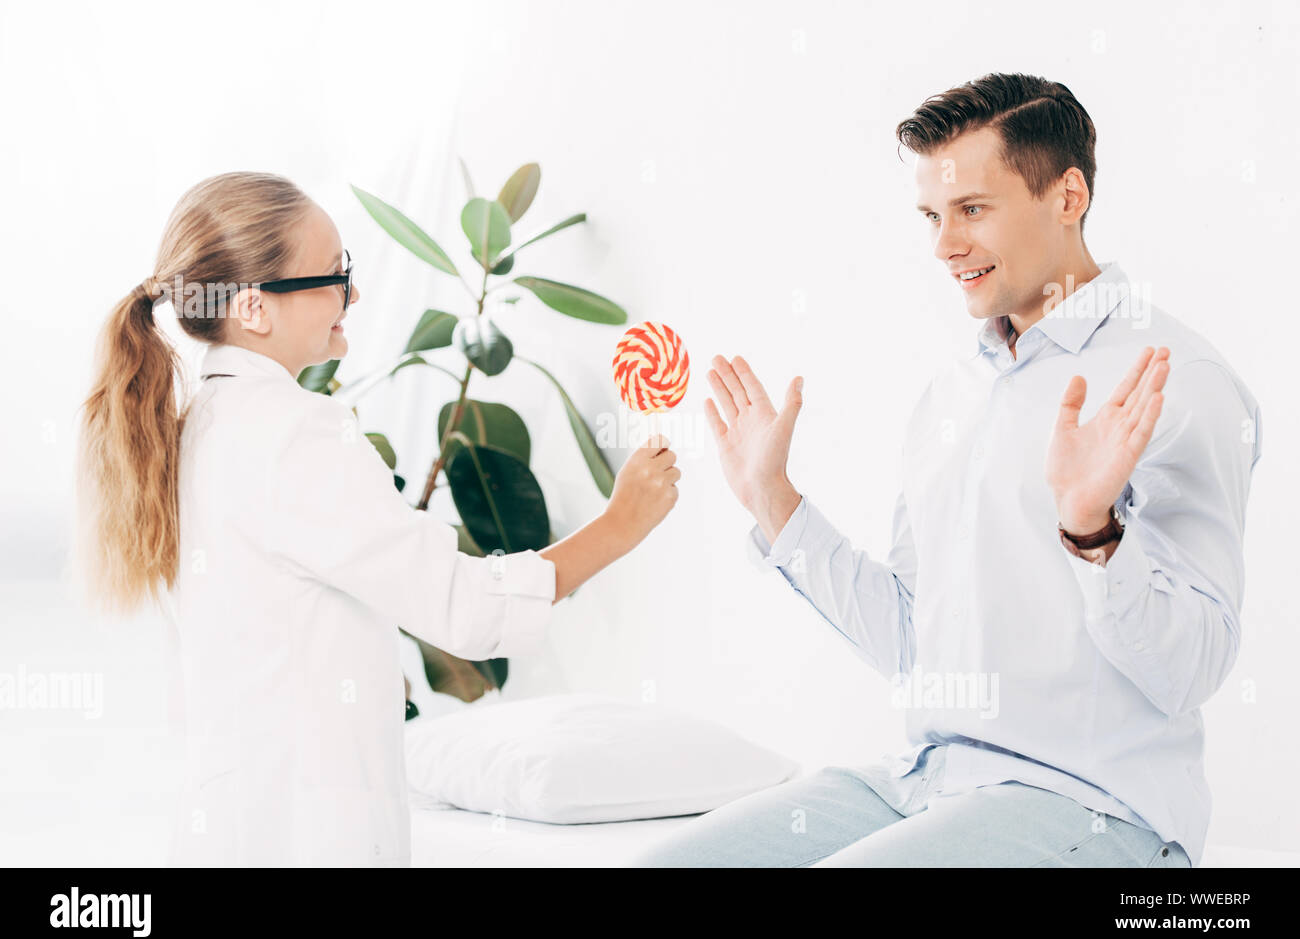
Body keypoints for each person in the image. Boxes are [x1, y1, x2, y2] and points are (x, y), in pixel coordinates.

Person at [634, 72, 1261, 868]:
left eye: (972, 210)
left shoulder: (1175, 379)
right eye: (932, 215)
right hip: (930, 780)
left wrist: (1093, 532)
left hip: (1093, 804)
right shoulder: (953, 394)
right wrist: (776, 504)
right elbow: (913, 642)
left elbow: (1194, 666)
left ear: (1068, 196)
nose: (943, 245)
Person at [73, 171, 681, 866]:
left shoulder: (189, 434)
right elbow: (464, 610)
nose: (352, 294)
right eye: (334, 275)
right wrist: (620, 524)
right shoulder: (296, 435)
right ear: (254, 308)